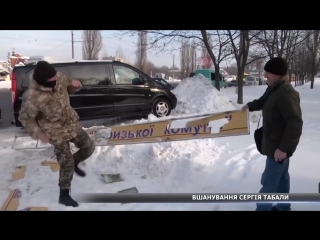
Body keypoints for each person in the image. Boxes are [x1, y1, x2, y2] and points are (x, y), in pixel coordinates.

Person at [18, 61, 95, 207]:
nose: (57, 79)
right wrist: (39, 134)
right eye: (53, 79)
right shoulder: (32, 97)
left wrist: (74, 85)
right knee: (66, 163)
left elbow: (68, 88)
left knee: (89, 147)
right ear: (43, 81)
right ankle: (64, 195)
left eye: (56, 76)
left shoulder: (58, 77)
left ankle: (75, 161)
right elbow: (26, 119)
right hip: (54, 131)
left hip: (71, 123)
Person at [241, 57, 303, 211]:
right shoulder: (273, 88)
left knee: (269, 182)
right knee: (282, 180)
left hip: (279, 148)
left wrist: (283, 149)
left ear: (277, 74)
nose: (265, 75)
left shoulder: (286, 93)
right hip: (274, 146)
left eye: (268, 72)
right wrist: (250, 106)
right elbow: (263, 100)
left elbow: (295, 122)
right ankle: (284, 208)